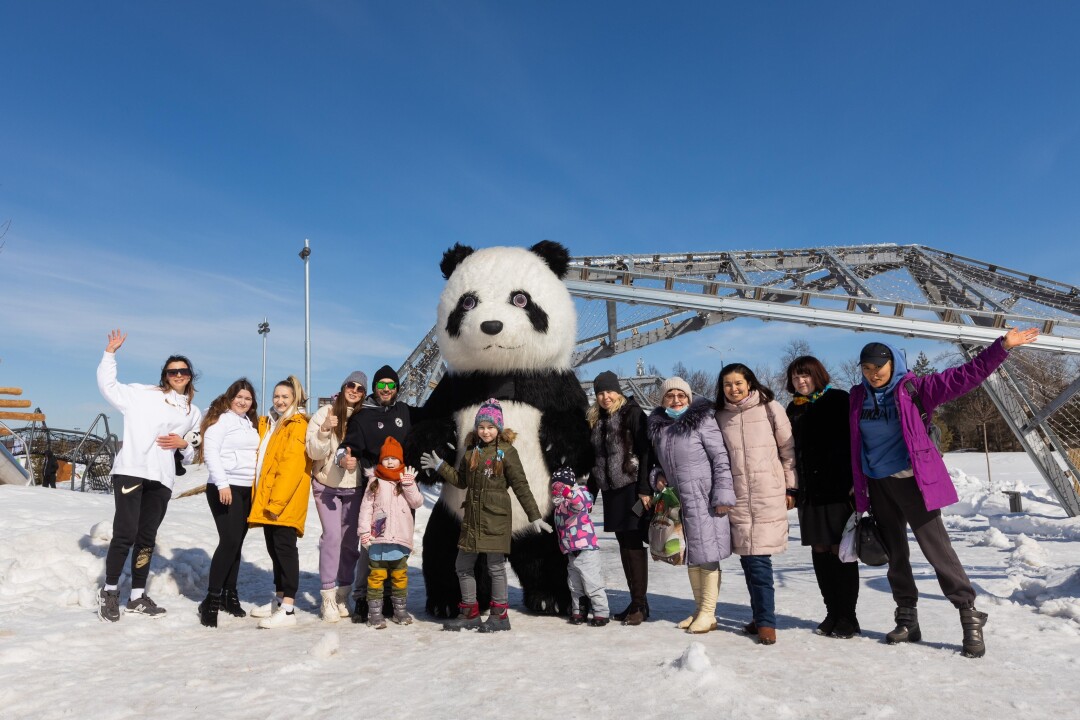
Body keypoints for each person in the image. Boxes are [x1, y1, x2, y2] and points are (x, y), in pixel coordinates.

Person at [851, 327, 1039, 658]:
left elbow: (966, 376)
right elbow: (854, 442)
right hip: (878, 483)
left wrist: (1002, 347)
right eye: (866, 368)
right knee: (895, 555)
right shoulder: (857, 397)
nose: (872, 373)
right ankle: (907, 618)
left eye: (878, 367)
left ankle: (969, 615)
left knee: (937, 550)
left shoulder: (916, 388)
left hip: (913, 482)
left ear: (893, 364)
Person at [95, 329, 203, 622]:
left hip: (163, 478)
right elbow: (109, 386)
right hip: (132, 470)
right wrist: (110, 354)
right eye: (172, 371)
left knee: (146, 538)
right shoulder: (143, 394)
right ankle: (109, 591)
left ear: (190, 376)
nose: (178, 375)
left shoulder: (193, 412)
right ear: (165, 375)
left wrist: (184, 444)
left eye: (183, 371)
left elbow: (191, 451)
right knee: (125, 533)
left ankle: (137, 596)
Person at [420, 398, 551, 633]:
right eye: (481, 426)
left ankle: (499, 615)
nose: (486, 431)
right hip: (472, 518)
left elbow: (520, 485)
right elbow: (461, 480)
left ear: (498, 428)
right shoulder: (472, 452)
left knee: (495, 567)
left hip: (495, 518)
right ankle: (470, 612)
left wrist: (534, 515)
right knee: (463, 565)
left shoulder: (506, 452)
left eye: (491, 426)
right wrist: (440, 466)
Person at [715, 363, 797, 646]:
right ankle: (758, 615)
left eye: (738, 383)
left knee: (759, 560)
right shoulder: (720, 416)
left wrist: (790, 486)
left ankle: (766, 623)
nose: (733, 389)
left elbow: (788, 450)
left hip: (766, 492)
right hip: (736, 496)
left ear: (749, 383)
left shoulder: (770, 408)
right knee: (748, 560)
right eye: (728, 384)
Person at [647, 377, 735, 635]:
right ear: (663, 400)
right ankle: (700, 610)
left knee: (707, 555)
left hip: (704, 499)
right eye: (670, 396)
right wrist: (656, 476)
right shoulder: (661, 429)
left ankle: (708, 612)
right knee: (691, 556)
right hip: (679, 502)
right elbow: (657, 464)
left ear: (689, 397)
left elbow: (720, 458)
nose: (676, 400)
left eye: (681, 395)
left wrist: (722, 495)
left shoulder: (703, 421)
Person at [784, 356, 859, 638]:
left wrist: (857, 482)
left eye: (805, 375)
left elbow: (856, 441)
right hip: (810, 492)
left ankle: (848, 616)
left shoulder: (839, 400)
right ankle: (831, 612)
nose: (800, 381)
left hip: (839, 489)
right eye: (795, 377)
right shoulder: (794, 408)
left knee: (840, 551)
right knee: (819, 550)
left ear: (817, 375)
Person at [340, 363, 414, 623]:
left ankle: (391, 597)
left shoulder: (404, 411)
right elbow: (349, 446)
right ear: (374, 387)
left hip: (402, 490)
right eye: (381, 384)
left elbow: (429, 419)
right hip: (375, 489)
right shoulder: (363, 416)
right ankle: (364, 597)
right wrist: (344, 458)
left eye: (391, 385)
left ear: (397, 388)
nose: (386, 389)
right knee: (371, 544)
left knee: (398, 542)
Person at [586, 370, 652, 625]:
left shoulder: (632, 414)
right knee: (624, 545)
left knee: (633, 543)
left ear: (618, 391)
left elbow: (646, 453)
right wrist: (589, 494)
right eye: (601, 392)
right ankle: (637, 602)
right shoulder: (596, 420)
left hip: (631, 488)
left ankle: (640, 604)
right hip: (611, 492)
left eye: (610, 391)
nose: (606, 397)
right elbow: (596, 460)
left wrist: (645, 489)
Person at [248, 376, 312, 629]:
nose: (280, 400)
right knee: (274, 551)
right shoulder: (273, 423)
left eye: (285, 396)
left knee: (285, 552)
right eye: (276, 396)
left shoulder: (296, 425)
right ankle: (278, 600)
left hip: (283, 502)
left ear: (295, 399)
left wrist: (276, 503)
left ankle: (288, 609)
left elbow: (291, 468)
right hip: (269, 499)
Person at [196, 378, 260, 628]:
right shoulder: (221, 420)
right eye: (239, 397)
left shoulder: (249, 424)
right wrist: (222, 483)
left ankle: (229, 594)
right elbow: (211, 452)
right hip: (225, 487)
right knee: (229, 541)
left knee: (237, 543)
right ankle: (211, 600)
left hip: (246, 488)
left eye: (248, 398)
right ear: (230, 398)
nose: (243, 402)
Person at [306, 371, 367, 623]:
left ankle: (343, 593)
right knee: (331, 538)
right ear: (343, 387)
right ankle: (328, 596)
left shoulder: (365, 416)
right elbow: (313, 452)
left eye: (360, 389)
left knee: (350, 543)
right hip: (327, 485)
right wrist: (324, 430)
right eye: (351, 385)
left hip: (355, 488)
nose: (354, 391)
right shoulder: (326, 413)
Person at [358, 436, 424, 629]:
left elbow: (417, 502)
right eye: (386, 458)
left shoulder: (405, 480)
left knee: (399, 576)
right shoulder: (375, 481)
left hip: (400, 539)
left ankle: (400, 611)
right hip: (378, 539)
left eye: (394, 458)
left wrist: (409, 485)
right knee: (376, 576)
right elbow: (366, 508)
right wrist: (364, 532)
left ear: (400, 460)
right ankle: (375, 614)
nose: (389, 462)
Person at [550, 466, 609, 626]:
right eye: (555, 486)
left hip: (586, 549)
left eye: (562, 486)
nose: (559, 490)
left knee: (592, 583)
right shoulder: (559, 504)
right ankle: (579, 611)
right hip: (571, 551)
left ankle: (601, 612)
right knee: (575, 585)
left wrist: (568, 493)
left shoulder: (580, 494)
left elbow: (580, 504)